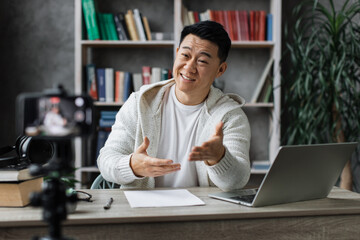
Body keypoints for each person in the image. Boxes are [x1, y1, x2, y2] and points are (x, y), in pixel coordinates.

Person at [97, 21, 251, 191]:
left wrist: (219, 157)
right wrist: (132, 165)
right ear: (177, 53)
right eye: (185, 55)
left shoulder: (230, 116)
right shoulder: (140, 102)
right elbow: (106, 160)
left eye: (202, 61)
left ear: (220, 70)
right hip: (143, 210)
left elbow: (238, 181)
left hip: (203, 212)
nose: (189, 67)